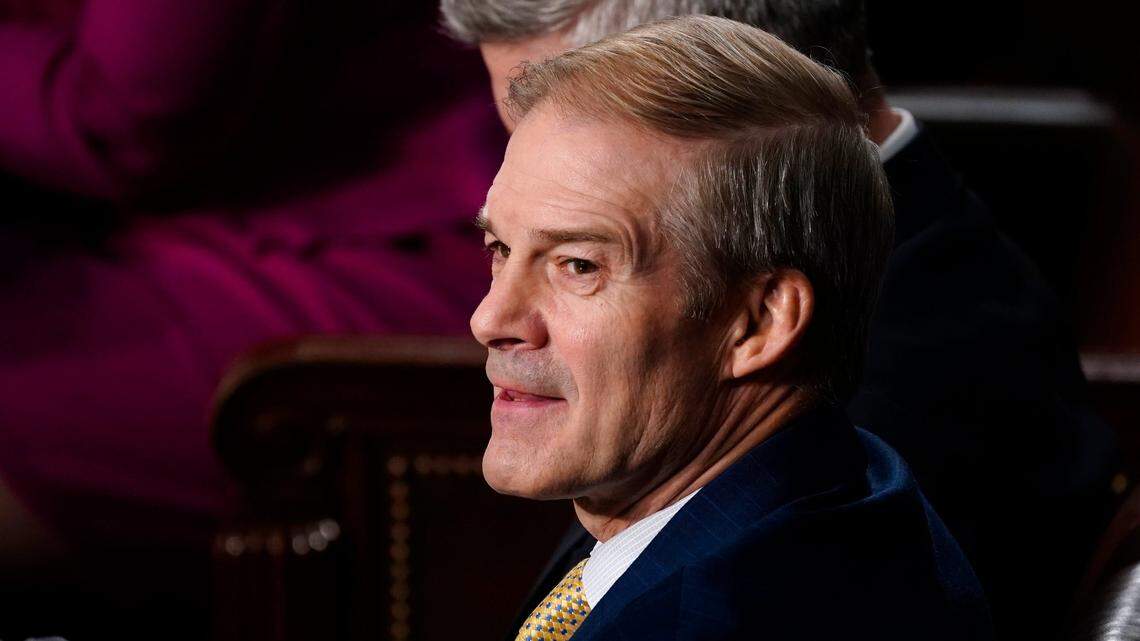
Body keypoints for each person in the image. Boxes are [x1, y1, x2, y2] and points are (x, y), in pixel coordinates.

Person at [441, 2, 1120, 636]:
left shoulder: (749, 597)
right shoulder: (823, 466)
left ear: (764, 320)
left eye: (579, 265)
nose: (488, 317)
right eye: (500, 248)